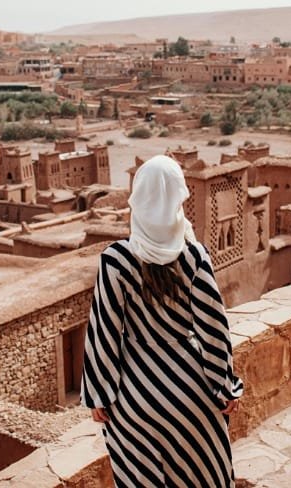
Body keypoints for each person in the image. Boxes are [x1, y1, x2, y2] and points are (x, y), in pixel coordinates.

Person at [81, 155, 243, 488]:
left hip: (135, 396)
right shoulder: (194, 256)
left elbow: (104, 332)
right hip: (190, 391)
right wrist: (225, 385)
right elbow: (213, 328)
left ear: (138, 201)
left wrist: (100, 394)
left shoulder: (115, 260)